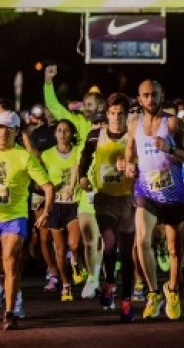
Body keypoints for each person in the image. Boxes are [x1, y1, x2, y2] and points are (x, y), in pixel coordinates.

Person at [0, 110, 54, 330]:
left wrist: (46, 211)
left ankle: (9, 311)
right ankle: (6, 286)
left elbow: (47, 186)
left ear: (16, 132)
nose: (3, 132)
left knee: (11, 259)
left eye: (9, 128)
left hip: (14, 217)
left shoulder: (23, 156)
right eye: (0, 127)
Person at [123, 79, 184, 320]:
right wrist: (128, 167)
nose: (150, 99)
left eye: (154, 94)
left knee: (175, 249)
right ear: (139, 98)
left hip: (174, 195)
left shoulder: (173, 123)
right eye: (146, 95)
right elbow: (130, 155)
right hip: (146, 192)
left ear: (162, 95)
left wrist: (171, 149)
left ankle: (172, 290)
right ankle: (153, 292)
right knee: (142, 240)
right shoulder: (133, 125)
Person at [43, 63, 104, 299]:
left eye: (89, 105)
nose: (85, 108)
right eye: (85, 105)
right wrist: (48, 82)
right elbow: (54, 107)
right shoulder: (78, 123)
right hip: (85, 189)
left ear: (101, 106)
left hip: (110, 186)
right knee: (88, 239)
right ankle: (93, 276)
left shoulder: (111, 123)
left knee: (107, 239)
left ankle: (106, 276)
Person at [77, 93, 136, 321]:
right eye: (112, 113)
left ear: (127, 115)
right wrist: (83, 178)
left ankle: (126, 300)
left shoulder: (134, 137)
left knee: (128, 253)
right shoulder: (95, 136)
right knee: (110, 245)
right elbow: (84, 160)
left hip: (128, 200)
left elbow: (143, 166)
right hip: (104, 199)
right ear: (107, 113)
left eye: (121, 114)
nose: (116, 118)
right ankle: (110, 281)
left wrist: (131, 167)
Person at [40, 119, 84, 303]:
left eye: (66, 130)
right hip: (55, 205)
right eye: (59, 130)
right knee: (59, 249)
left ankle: (75, 260)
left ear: (72, 133)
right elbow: (40, 179)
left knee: (74, 244)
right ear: (55, 134)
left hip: (75, 202)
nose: (63, 134)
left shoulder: (78, 152)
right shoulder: (46, 155)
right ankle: (66, 285)